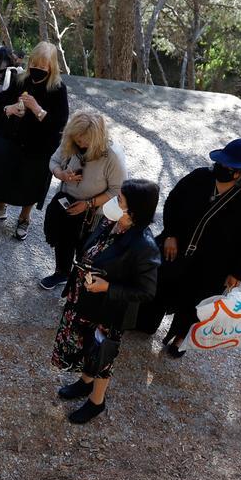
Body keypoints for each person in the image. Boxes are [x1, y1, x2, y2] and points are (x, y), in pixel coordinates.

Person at [138, 139, 241, 357]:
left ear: (240, 173)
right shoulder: (199, 178)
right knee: (160, 284)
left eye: (228, 167)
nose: (221, 168)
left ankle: (181, 337)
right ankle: (145, 323)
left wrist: (237, 272)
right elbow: (173, 200)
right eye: (221, 163)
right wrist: (170, 233)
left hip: (213, 265)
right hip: (176, 248)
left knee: (197, 302)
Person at [51, 179, 161, 424]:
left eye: (119, 199)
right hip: (85, 299)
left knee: (102, 355)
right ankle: (85, 382)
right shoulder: (110, 222)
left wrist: (108, 286)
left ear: (134, 210)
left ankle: (96, 402)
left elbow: (146, 291)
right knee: (85, 347)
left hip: (107, 311)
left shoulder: (144, 246)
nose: (113, 201)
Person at [0, 41, 70, 241]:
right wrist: (9, 108)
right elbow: (1, 103)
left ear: (51, 67)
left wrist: (38, 110)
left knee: (32, 183)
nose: (37, 69)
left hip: (40, 146)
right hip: (13, 139)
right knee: (2, 177)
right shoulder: (21, 80)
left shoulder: (58, 89)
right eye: (34, 64)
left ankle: (24, 218)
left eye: (43, 66)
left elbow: (60, 124)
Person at [41, 111, 127, 290]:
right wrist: (61, 174)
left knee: (86, 250)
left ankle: (79, 284)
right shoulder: (70, 141)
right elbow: (54, 160)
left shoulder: (112, 156)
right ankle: (62, 273)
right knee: (63, 240)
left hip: (94, 212)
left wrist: (88, 204)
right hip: (67, 201)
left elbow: (117, 190)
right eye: (77, 140)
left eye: (85, 142)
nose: (80, 145)